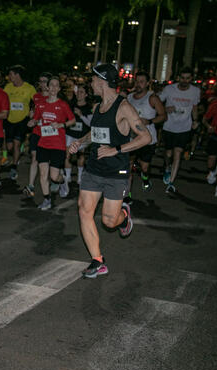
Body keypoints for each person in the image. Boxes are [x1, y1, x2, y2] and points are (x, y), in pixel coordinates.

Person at [68, 64, 151, 278]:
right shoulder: (98, 107)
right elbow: (95, 133)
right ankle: (98, 261)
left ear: (102, 81)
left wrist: (117, 149)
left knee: (108, 221)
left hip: (116, 172)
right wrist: (81, 141)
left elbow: (145, 138)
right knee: (84, 210)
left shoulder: (124, 107)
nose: (90, 83)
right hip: (94, 169)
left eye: (93, 80)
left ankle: (123, 218)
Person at [27, 76, 75, 210]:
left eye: (56, 85)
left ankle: (63, 180)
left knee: (54, 177)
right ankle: (47, 199)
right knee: (43, 173)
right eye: (51, 85)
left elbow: (72, 120)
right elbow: (36, 118)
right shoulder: (41, 104)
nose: (53, 88)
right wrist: (33, 122)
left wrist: (61, 124)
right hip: (43, 143)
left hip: (58, 145)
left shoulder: (63, 105)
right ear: (47, 87)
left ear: (59, 89)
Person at [159, 67, 200, 193]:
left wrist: (195, 120)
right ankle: (167, 167)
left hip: (184, 127)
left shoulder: (195, 91)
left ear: (191, 79)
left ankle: (171, 182)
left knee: (178, 153)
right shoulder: (169, 89)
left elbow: (194, 107)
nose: (185, 81)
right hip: (169, 126)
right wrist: (165, 109)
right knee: (168, 154)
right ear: (178, 78)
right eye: (182, 78)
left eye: (188, 78)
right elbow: (157, 103)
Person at [126, 71, 166, 194]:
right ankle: (128, 196)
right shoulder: (129, 97)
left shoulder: (152, 98)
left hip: (148, 139)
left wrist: (149, 121)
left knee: (144, 167)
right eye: (137, 81)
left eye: (141, 82)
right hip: (132, 138)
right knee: (128, 167)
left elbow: (163, 116)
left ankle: (145, 177)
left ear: (148, 83)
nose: (138, 84)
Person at [3, 65, 37, 181]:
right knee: (9, 147)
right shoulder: (8, 87)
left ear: (17, 75)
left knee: (16, 144)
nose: (9, 77)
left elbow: (36, 101)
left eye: (11, 74)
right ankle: (17, 153)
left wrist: (33, 111)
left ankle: (14, 167)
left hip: (22, 120)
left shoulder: (29, 88)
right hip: (9, 120)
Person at [24, 72, 51, 198]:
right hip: (37, 132)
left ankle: (58, 179)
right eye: (40, 81)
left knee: (48, 162)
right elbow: (31, 113)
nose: (42, 84)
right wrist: (32, 116)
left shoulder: (54, 98)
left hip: (51, 134)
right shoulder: (35, 97)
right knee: (35, 157)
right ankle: (30, 185)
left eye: (45, 81)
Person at [65, 84, 93, 186]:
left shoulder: (88, 108)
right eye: (77, 92)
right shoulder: (71, 105)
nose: (79, 94)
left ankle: (80, 177)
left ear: (86, 95)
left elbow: (91, 124)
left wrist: (81, 115)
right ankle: (67, 177)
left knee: (80, 156)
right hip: (70, 133)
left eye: (81, 92)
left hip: (82, 136)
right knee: (67, 154)